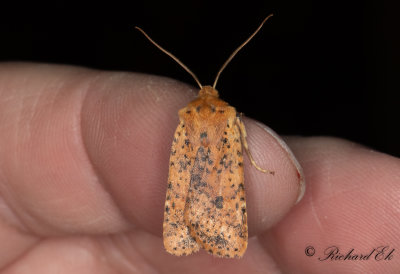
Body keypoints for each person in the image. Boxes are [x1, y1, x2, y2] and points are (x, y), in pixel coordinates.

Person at [0, 63, 398, 273]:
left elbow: (180, 166)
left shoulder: (187, 120)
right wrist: (254, 161)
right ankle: (207, 232)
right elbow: (240, 151)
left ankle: (190, 232)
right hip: (224, 193)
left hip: (189, 196)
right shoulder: (227, 117)